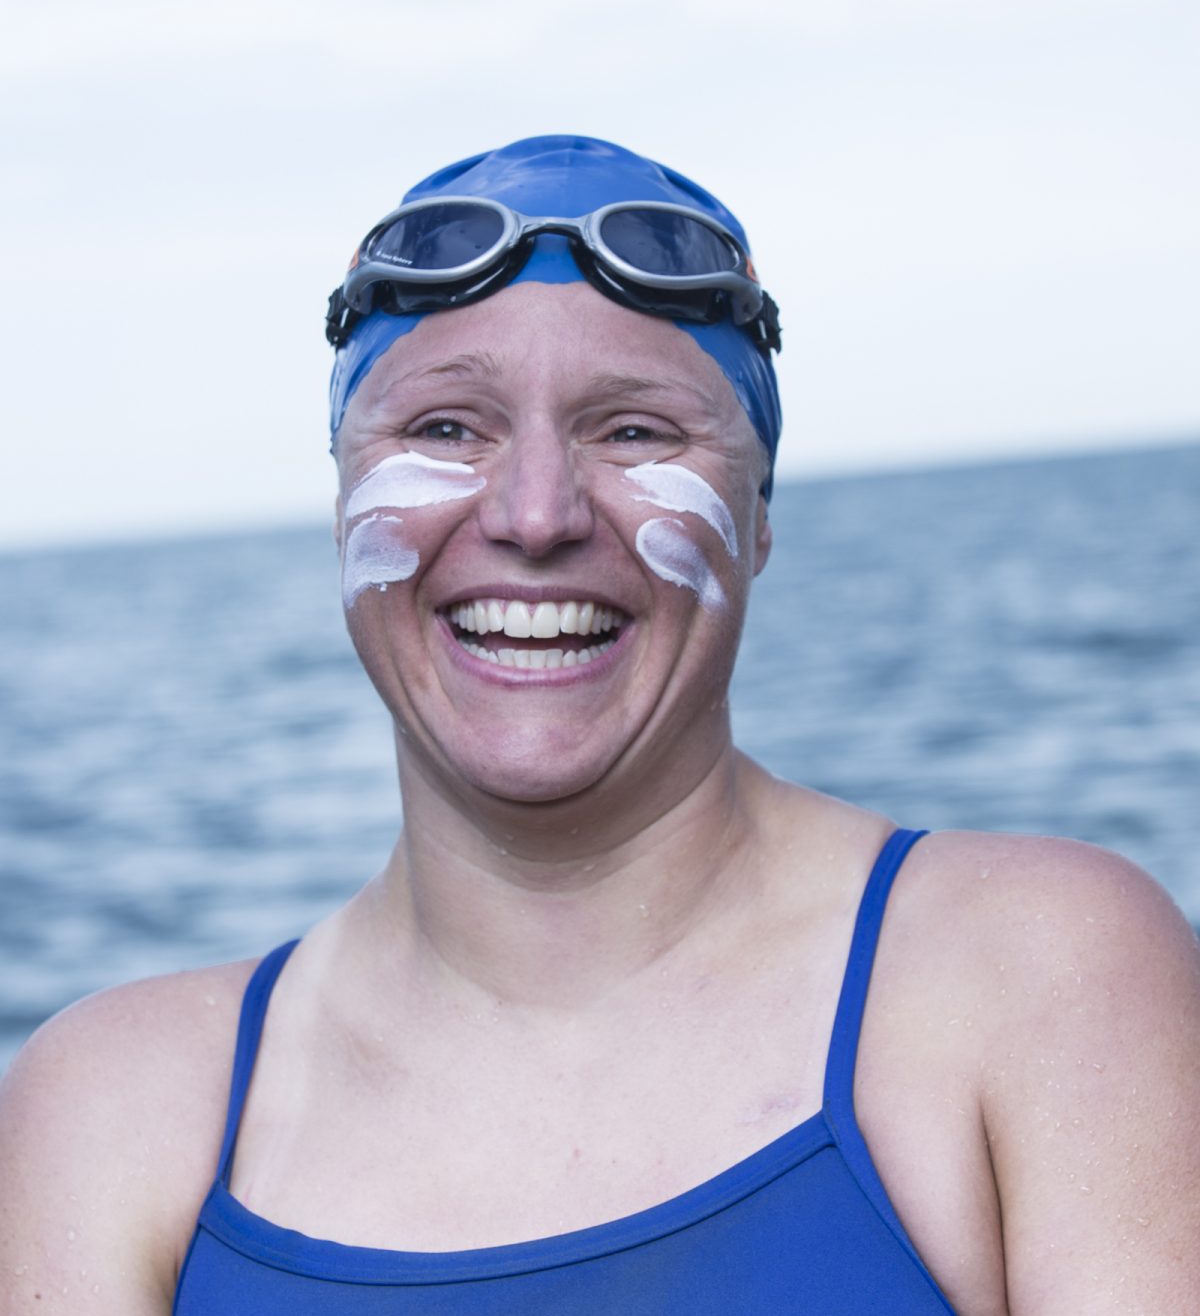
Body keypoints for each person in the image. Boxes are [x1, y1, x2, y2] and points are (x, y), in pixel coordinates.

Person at [1, 135, 1197, 1315]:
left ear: (759, 514)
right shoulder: (118, 1114)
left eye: (633, 431)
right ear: (341, 503)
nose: (536, 516)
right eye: (446, 429)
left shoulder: (1035, 976)